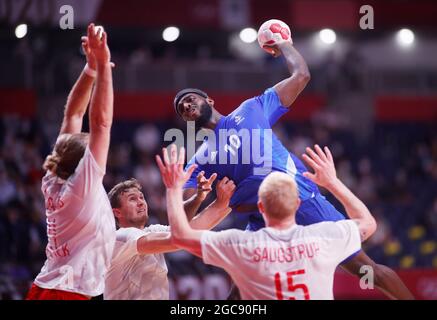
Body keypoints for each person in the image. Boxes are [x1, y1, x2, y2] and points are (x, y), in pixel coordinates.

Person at [173, 36, 413, 299]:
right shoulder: (201, 157)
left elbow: (301, 76)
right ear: (187, 120)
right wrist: (199, 197)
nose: (186, 105)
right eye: (182, 109)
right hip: (260, 217)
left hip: (300, 199)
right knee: (239, 294)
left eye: (190, 99)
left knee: (368, 271)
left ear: (209, 99)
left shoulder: (251, 108)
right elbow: (183, 219)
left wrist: (283, 43)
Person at [158, 145, 376, 299]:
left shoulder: (242, 244)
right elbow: (367, 223)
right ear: (298, 204)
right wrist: (333, 182)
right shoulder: (324, 237)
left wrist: (173, 189)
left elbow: (179, 236)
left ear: (260, 207)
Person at [26, 24, 115, 300]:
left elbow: (73, 115)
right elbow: (100, 122)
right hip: (67, 292)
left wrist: (89, 69)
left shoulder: (56, 177)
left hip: (49, 286)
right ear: (82, 164)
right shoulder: (81, 189)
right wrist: (103, 67)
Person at [104, 169, 235, 300]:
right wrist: (174, 191)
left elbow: (189, 227)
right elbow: (178, 238)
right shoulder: (121, 237)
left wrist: (224, 199)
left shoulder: (152, 231)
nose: (140, 202)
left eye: (141, 197)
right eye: (132, 199)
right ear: (117, 213)